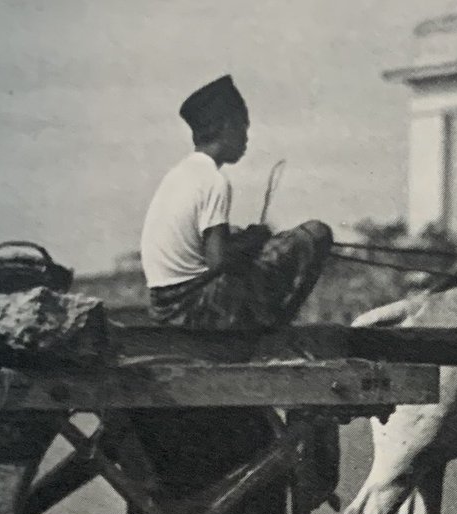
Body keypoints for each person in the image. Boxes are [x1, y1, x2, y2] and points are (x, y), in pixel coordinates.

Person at [139, 75, 333, 328]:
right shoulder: (213, 180)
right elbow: (218, 261)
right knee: (316, 234)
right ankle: (277, 331)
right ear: (226, 127)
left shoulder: (178, 175)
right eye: (243, 128)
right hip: (199, 309)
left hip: (165, 310)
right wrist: (254, 240)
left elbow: (202, 250)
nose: (246, 138)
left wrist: (243, 239)